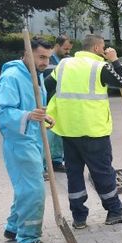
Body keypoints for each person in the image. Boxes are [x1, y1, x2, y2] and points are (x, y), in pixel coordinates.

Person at [45, 34, 122, 229]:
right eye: (102, 48)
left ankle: (79, 218)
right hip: (94, 131)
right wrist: (115, 60)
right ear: (95, 49)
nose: (104, 51)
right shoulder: (99, 67)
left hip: (68, 130)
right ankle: (115, 212)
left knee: (74, 174)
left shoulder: (64, 65)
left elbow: (48, 87)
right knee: (103, 173)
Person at [0, 37, 54, 243]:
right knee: (33, 190)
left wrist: (42, 117)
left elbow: (34, 107)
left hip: (32, 139)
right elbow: (3, 113)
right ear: (27, 54)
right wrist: (29, 115)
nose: (45, 62)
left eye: (47, 57)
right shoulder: (12, 77)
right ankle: (27, 239)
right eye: (41, 57)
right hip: (19, 143)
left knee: (26, 188)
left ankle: (12, 227)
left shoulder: (35, 75)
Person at [43, 34, 73, 172]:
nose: (68, 52)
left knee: (58, 136)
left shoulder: (67, 60)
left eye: (69, 49)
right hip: (48, 103)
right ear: (57, 45)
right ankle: (43, 165)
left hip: (61, 104)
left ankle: (56, 161)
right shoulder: (47, 59)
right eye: (65, 48)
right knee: (47, 136)